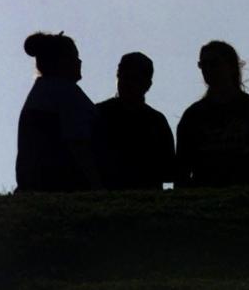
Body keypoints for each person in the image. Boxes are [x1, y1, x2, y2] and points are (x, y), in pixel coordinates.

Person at [175, 41, 249, 187]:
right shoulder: (193, 116)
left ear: (232, 67)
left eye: (214, 63)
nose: (207, 69)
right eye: (203, 65)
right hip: (207, 202)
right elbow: (182, 169)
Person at [15, 31, 101, 191]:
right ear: (62, 61)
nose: (79, 62)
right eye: (75, 57)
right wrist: (96, 185)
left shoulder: (42, 92)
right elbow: (78, 142)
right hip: (61, 184)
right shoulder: (66, 93)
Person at [95, 52, 176, 189]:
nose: (127, 84)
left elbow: (169, 170)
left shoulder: (98, 113)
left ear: (147, 84)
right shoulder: (156, 121)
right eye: (125, 77)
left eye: (134, 79)